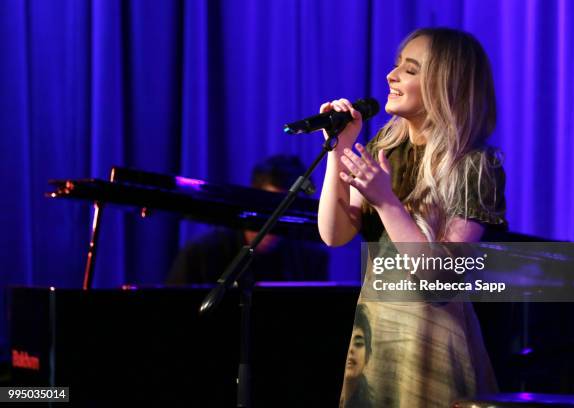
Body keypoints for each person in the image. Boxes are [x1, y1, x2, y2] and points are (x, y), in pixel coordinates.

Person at [318, 28, 506, 407]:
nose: (391, 76)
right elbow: (334, 234)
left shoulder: (472, 164)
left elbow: (441, 277)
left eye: (410, 69)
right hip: (376, 338)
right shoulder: (384, 150)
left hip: (433, 342)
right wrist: (337, 151)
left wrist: (387, 202)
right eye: (395, 66)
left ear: (445, 85)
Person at [167, 154, 329, 284]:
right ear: (253, 199)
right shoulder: (201, 254)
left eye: (287, 209)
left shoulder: (309, 260)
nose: (277, 218)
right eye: (271, 205)